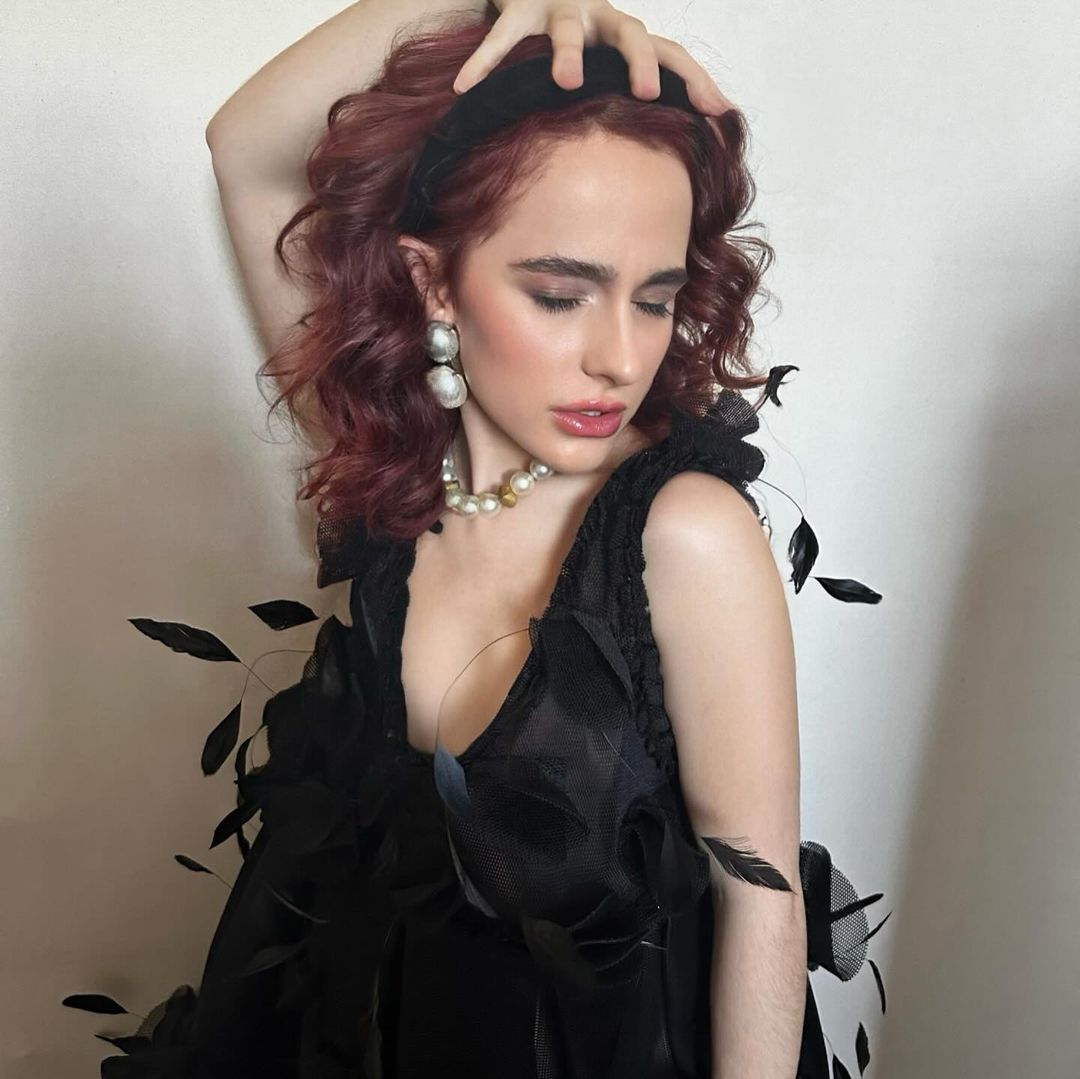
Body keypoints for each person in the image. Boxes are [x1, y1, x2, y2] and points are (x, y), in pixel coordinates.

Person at [63, 2, 888, 1076]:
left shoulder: (683, 535)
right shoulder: (390, 462)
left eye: (654, 299)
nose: (617, 357)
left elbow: (760, 899)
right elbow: (244, 150)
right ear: (433, 280)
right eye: (560, 294)